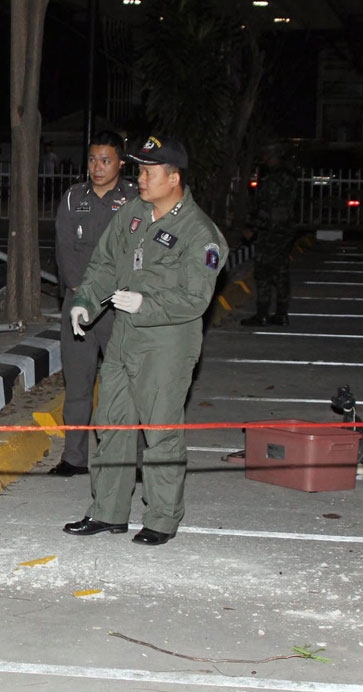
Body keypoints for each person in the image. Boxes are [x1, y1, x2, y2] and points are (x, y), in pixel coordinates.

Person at [63, 135, 227, 546]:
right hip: (123, 337)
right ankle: (108, 511)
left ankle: (161, 518)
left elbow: (196, 298)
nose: (140, 178)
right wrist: (85, 302)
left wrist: (146, 303)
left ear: (174, 178)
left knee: (160, 432)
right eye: (139, 170)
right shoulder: (133, 212)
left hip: (166, 343)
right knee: (112, 425)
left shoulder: (200, 232)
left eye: (149, 172)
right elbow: (104, 262)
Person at [49, 131, 137, 476]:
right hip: (80, 305)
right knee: (78, 382)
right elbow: (64, 248)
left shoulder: (134, 198)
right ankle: (73, 457)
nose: (97, 167)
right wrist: (80, 291)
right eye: (92, 160)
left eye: (106, 160)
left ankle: (133, 458)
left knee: (127, 384)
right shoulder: (74, 197)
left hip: (119, 304)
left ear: (121, 163)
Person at [241, 147, 298, 327]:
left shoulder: (271, 180)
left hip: (269, 232)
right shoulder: (290, 177)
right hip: (286, 230)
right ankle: (281, 313)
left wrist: (253, 228)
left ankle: (262, 314)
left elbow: (266, 208)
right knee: (281, 272)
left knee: (263, 273)